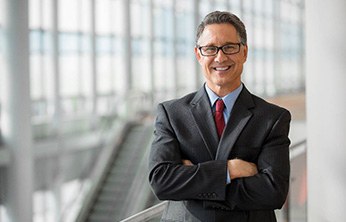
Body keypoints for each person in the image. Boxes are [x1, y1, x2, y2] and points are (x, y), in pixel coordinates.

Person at [148, 11, 291, 222]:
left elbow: (273, 191)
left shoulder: (272, 118)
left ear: (244, 52)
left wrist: (192, 184)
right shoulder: (172, 114)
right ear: (199, 55)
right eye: (210, 49)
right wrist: (229, 170)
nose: (220, 57)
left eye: (229, 47)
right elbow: (161, 181)